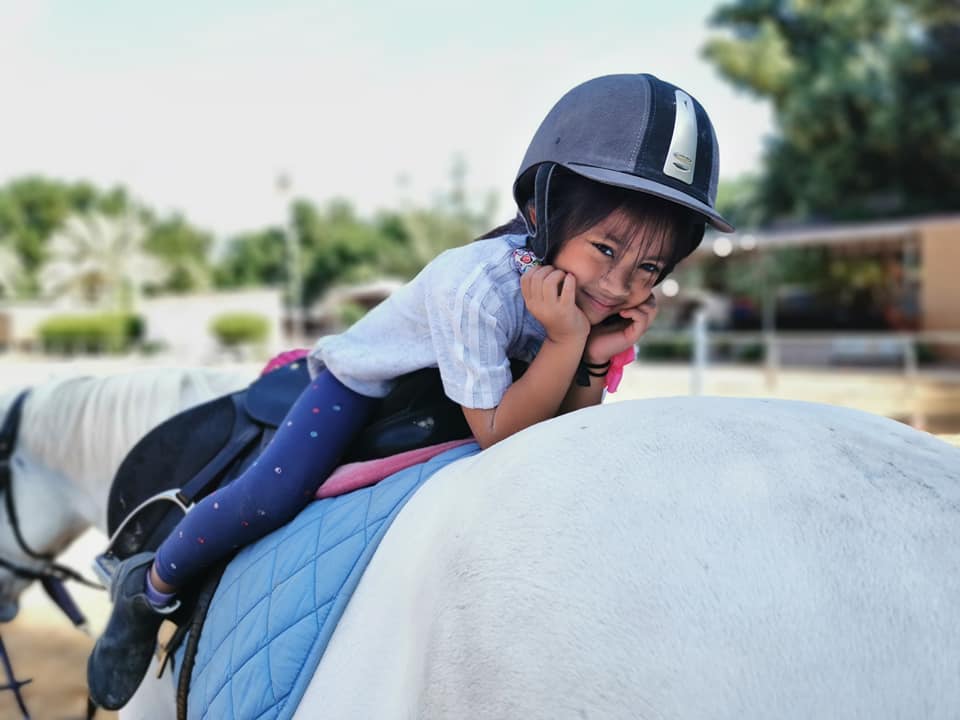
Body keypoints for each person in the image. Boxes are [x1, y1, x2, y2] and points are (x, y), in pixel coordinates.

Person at [87, 72, 734, 709]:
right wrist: (567, 343)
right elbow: (502, 437)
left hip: (480, 394)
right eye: (605, 249)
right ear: (544, 211)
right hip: (373, 386)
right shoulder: (474, 287)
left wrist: (591, 359)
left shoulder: (593, 302)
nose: (619, 286)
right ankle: (152, 587)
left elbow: (561, 432)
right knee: (271, 494)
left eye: (649, 267)